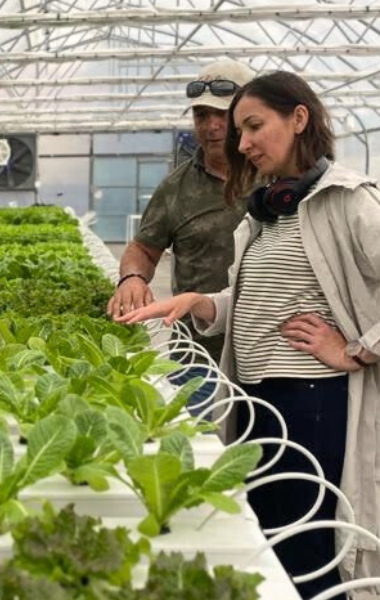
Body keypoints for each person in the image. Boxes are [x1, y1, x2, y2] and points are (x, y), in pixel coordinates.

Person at [116, 71, 380, 599]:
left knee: (308, 554)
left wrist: (357, 350)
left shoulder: (347, 200)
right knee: (269, 545)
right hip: (258, 400)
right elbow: (262, 302)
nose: (244, 143)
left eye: (254, 127)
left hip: (309, 404)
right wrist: (200, 303)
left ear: (299, 119)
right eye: (239, 133)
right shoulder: (271, 212)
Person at [106, 59, 255, 414]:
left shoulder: (280, 177)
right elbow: (144, 246)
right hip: (198, 354)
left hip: (268, 355)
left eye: (222, 114)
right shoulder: (177, 188)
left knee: (265, 457)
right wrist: (131, 276)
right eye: (202, 115)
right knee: (197, 454)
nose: (212, 126)